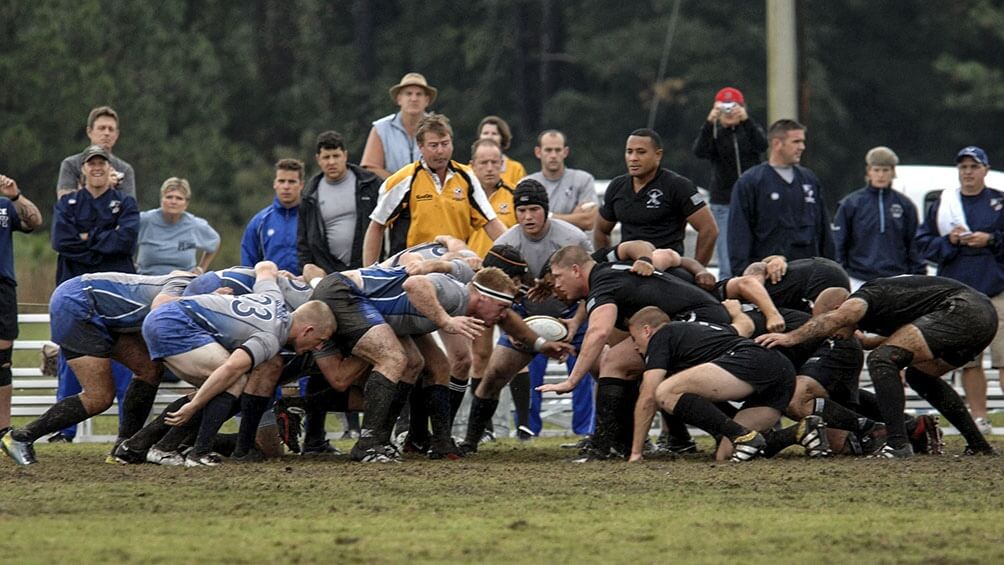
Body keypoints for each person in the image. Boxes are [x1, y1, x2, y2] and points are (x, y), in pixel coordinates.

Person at [756, 275, 999, 458]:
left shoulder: (861, 297)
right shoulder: (881, 308)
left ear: (838, 309)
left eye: (828, 324)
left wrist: (791, 338)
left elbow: (839, 318)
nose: (829, 333)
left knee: (882, 360)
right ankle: (979, 445)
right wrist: (863, 340)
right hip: (982, 318)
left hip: (961, 308)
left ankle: (897, 444)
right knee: (919, 376)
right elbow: (892, 340)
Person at [138, 261, 335, 466]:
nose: (319, 348)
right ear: (308, 330)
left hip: (170, 315)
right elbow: (230, 368)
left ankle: (148, 446)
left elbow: (265, 266)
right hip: (174, 322)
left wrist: (283, 274)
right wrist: (194, 406)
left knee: (228, 381)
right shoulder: (271, 337)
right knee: (234, 379)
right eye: (320, 341)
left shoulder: (273, 298)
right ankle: (189, 452)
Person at [1, 272, 192, 465]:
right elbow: (160, 304)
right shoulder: (186, 284)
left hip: (98, 307)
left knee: (149, 369)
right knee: (99, 397)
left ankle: (125, 448)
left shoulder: (198, 286)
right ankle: (20, 437)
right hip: (77, 301)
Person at [461, 182, 596, 449]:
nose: (528, 216)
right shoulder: (504, 245)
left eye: (534, 209)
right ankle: (470, 441)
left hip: (573, 318)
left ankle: (605, 439)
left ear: (546, 210)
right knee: (494, 375)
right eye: (521, 210)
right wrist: (513, 331)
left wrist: (578, 321)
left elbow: (595, 287)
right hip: (524, 321)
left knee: (608, 371)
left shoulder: (573, 239)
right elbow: (493, 298)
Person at [50, 144, 140, 442]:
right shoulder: (68, 204)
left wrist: (88, 239)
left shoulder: (125, 203)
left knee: (127, 361)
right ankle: (63, 432)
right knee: (70, 363)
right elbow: (62, 241)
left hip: (117, 297)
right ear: (84, 169)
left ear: (111, 168)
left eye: (103, 162)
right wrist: (105, 238)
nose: (97, 167)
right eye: (92, 163)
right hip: (74, 297)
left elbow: (125, 242)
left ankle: (128, 433)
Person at [629, 307, 797, 462]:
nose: (635, 347)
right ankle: (799, 432)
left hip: (753, 358)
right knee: (726, 454)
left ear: (646, 330)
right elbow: (745, 326)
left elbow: (649, 396)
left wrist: (636, 453)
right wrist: (736, 311)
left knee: (664, 391)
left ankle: (743, 435)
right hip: (783, 370)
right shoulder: (701, 331)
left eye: (634, 338)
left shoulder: (662, 334)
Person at [915, 146, 1004, 435]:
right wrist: (950, 242)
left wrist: (990, 240)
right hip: (960, 292)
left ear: (985, 170)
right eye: (963, 167)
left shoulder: (998, 202)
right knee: (969, 361)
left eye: (974, 167)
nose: (968, 172)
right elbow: (925, 245)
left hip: (997, 289)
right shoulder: (943, 204)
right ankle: (979, 418)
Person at [362, 113, 506, 264]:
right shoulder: (404, 180)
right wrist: (370, 273)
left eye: (445, 144)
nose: (440, 151)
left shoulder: (467, 177)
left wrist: (517, 255)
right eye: (434, 145)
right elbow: (376, 226)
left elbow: (491, 222)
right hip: (411, 268)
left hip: (454, 264)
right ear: (421, 147)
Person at [596, 128, 718, 266]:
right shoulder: (617, 186)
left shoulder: (678, 186)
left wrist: (697, 269)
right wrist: (604, 265)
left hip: (665, 267)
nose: (633, 158)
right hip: (627, 266)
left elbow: (709, 229)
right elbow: (601, 229)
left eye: (641, 152)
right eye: (629, 152)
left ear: (658, 155)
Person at [728, 119, 835, 274]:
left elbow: (823, 227)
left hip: (808, 273)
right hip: (769, 275)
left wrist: (831, 268)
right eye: (796, 141)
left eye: (802, 141)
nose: (802, 147)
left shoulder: (809, 180)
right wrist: (742, 274)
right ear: (777, 143)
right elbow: (739, 232)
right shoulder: (751, 182)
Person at [692, 87, 768, 278]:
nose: (729, 111)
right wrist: (710, 122)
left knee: (756, 256)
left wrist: (746, 120)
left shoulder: (749, 131)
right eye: (724, 107)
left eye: (733, 106)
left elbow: (762, 145)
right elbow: (699, 151)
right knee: (726, 260)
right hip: (724, 202)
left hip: (753, 202)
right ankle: (728, 296)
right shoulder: (715, 134)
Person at [832, 147, 925, 290]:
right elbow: (839, 244)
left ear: (893, 172)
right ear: (868, 171)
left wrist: (918, 276)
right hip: (858, 278)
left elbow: (914, 245)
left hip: (897, 278)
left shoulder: (905, 205)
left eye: (885, 170)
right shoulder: (851, 204)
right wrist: (840, 274)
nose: (880, 175)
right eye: (876, 170)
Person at [297, 131, 382, 273]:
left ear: (345, 155)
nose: (331, 162)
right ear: (318, 159)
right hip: (328, 272)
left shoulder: (370, 183)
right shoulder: (309, 194)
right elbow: (303, 242)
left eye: (336, 156)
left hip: (368, 268)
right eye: (326, 157)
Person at [0, 174, 42, 446]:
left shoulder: (4, 206)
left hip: (3, 287)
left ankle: (2, 431)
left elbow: (34, 221)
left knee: (2, 363)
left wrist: (16, 196)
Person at [136, 177, 220, 275]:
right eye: (169, 197)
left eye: (179, 198)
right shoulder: (145, 219)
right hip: (147, 280)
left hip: (183, 282)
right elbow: (123, 234)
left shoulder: (194, 224)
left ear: (186, 203)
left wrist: (201, 269)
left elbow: (215, 240)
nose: (173, 202)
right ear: (161, 200)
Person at [360, 73, 436, 180]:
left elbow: (444, 163)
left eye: (419, 94)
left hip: (431, 192)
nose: (414, 98)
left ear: (427, 100)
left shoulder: (437, 128)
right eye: (408, 94)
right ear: (399, 99)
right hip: (390, 193)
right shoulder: (381, 128)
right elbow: (370, 168)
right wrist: (400, 184)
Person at [524, 130, 598, 231]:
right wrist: (574, 217)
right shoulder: (528, 183)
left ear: (565, 152)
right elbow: (525, 222)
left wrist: (547, 216)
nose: (553, 155)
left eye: (558, 150)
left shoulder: (584, 180)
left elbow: (589, 221)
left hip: (575, 245)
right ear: (538, 152)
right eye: (548, 150)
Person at [57, 106, 136, 199]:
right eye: (101, 128)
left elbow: (128, 209)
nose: (107, 133)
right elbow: (66, 204)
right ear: (89, 132)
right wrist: (103, 185)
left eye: (111, 129)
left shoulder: (124, 169)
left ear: (116, 135)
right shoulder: (71, 165)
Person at [241, 159, 304, 275]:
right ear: (275, 184)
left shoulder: (311, 219)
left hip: (306, 288)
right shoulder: (260, 222)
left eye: (291, 182)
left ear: (301, 185)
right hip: (270, 287)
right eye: (281, 181)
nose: (286, 186)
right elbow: (248, 265)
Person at [467, 138, 517, 257]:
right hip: (468, 267)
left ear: (502, 164)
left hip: (504, 268)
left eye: (494, 162)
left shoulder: (515, 196)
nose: (489, 168)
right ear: (472, 165)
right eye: (484, 163)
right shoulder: (461, 197)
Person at [477, 116, 526, 188]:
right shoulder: (469, 169)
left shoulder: (516, 169)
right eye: (485, 133)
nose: (489, 137)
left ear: (503, 138)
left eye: (494, 133)